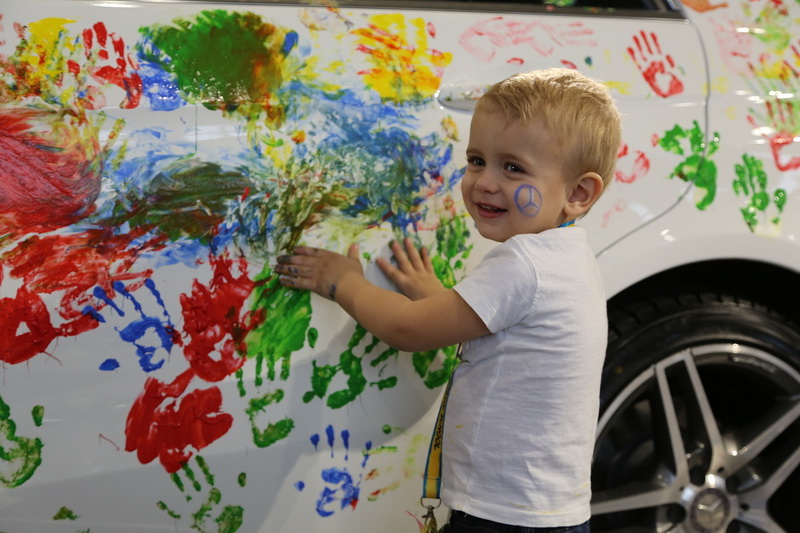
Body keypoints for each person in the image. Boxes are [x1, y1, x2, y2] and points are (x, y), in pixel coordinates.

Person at [275, 67, 622, 533]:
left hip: (502, 518)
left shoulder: (524, 263)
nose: (483, 182)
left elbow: (407, 329)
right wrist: (436, 296)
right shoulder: (568, 258)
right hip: (547, 510)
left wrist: (343, 282)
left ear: (578, 193)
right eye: (477, 160)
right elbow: (498, 328)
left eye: (513, 168)